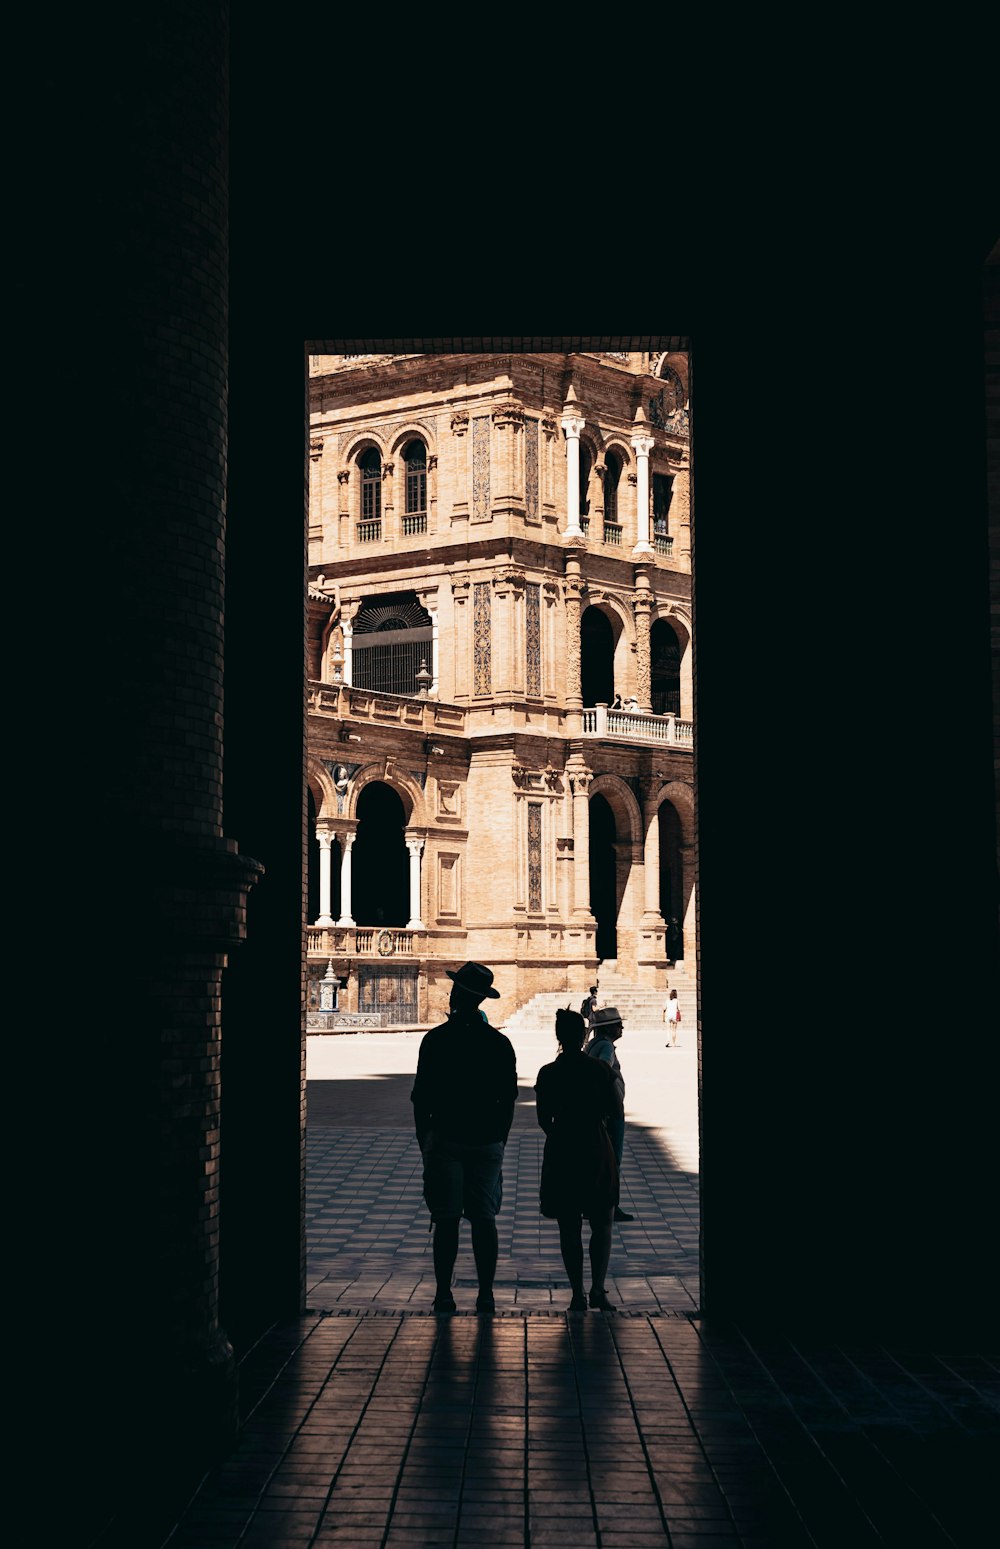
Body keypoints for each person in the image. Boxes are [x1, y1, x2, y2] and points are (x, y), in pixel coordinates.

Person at [411, 961, 518, 1314]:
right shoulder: (499, 1044)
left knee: (446, 1219)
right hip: (487, 1140)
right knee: (484, 1218)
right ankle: (485, 1294)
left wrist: (424, 1140)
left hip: (445, 1139)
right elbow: (508, 1100)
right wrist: (499, 1140)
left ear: (456, 995)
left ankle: (444, 1292)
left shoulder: (436, 1040)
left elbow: (421, 1097)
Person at [535, 1008, 622, 1311]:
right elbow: (614, 1108)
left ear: (558, 1036)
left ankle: (576, 1293)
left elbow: (543, 1118)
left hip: (562, 1148)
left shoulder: (548, 1073)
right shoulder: (600, 1070)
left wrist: (561, 1130)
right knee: (602, 1222)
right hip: (596, 1145)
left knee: (568, 1226)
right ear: (584, 1035)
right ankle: (598, 1288)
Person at [585, 1006, 634, 1221]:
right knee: (613, 1159)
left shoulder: (594, 1044)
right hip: (610, 1110)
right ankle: (611, 1205)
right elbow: (603, 1070)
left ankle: (593, 1202)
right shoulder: (605, 1047)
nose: (621, 1028)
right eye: (618, 1025)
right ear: (609, 1028)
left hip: (599, 1109)